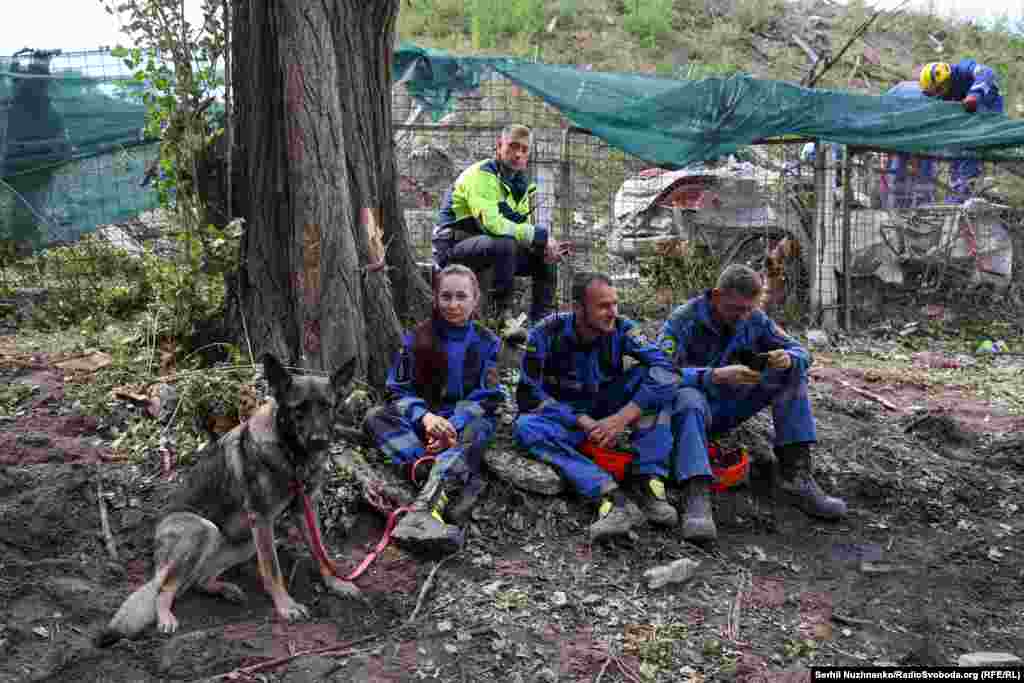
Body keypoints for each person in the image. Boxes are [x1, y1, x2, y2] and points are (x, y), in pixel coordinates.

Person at [658, 264, 846, 542]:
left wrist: (789, 357)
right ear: (717, 295)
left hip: (732, 404)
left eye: (750, 308)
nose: (744, 316)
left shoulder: (754, 318)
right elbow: (659, 376)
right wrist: (713, 376)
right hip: (692, 413)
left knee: (791, 373)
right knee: (688, 397)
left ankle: (797, 476)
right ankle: (696, 493)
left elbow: (802, 353)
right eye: (736, 309)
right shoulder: (683, 320)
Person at [514, 272, 681, 542]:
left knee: (655, 383)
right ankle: (610, 497)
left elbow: (669, 369)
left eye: (615, 304)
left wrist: (622, 418)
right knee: (525, 427)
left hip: (608, 408)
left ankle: (650, 484)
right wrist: (580, 419)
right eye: (603, 306)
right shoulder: (546, 332)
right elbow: (527, 396)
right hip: (569, 419)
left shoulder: (625, 329)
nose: (613, 312)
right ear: (578, 308)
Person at [363, 264, 503, 553]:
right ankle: (433, 471)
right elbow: (397, 390)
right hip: (426, 423)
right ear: (436, 299)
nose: (453, 305)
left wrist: (453, 423)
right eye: (446, 296)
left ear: (475, 299)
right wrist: (426, 418)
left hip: (462, 425)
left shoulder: (488, 342)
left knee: (477, 431)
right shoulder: (417, 338)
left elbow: (488, 396)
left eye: (461, 297)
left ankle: (426, 509)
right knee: (376, 417)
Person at [432, 124, 569, 333]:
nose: (518, 154)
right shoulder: (481, 175)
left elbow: (520, 227)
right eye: (513, 147)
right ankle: (500, 317)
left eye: (524, 150)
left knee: (543, 256)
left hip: (488, 245)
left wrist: (545, 246)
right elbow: (494, 225)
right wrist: (540, 236)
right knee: (505, 242)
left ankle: (543, 325)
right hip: (453, 245)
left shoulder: (520, 186)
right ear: (499, 146)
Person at [919, 60, 1004, 203]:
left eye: (939, 89)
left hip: (988, 112)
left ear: (946, 80)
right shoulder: (941, 94)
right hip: (965, 121)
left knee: (969, 149)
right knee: (955, 153)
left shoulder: (964, 69)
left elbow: (987, 72)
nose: (939, 95)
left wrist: (974, 95)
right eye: (935, 92)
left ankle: (963, 193)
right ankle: (957, 191)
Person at [880, 81, 938, 208]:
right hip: (920, 137)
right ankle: (923, 208)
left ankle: (897, 208)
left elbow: (885, 116)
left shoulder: (897, 91)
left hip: (903, 137)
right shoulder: (930, 94)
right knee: (924, 174)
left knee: (898, 172)